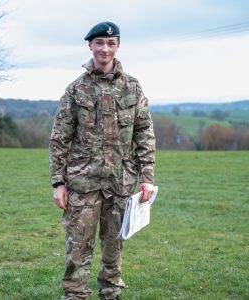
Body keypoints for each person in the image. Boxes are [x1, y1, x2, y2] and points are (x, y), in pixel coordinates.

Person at [49, 21, 156, 300]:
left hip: (120, 182)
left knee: (114, 244)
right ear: (90, 46)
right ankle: (74, 294)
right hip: (82, 182)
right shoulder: (76, 90)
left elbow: (144, 134)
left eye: (110, 43)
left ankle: (110, 292)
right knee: (78, 245)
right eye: (99, 43)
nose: (104, 48)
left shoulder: (132, 87)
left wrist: (146, 178)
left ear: (118, 46)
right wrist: (58, 182)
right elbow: (60, 138)